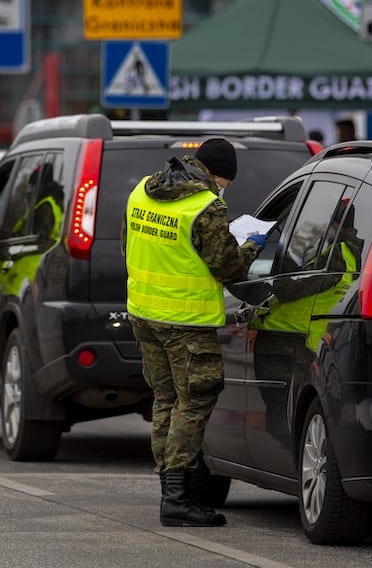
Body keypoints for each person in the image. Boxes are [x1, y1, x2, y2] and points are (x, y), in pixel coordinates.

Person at [122, 138, 264, 527]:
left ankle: (170, 495)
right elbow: (229, 267)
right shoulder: (205, 206)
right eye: (226, 182)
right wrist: (251, 246)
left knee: (166, 400)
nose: (225, 189)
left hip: (144, 315)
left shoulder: (142, 191)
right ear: (217, 173)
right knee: (194, 401)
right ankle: (178, 498)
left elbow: (126, 247)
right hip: (188, 324)